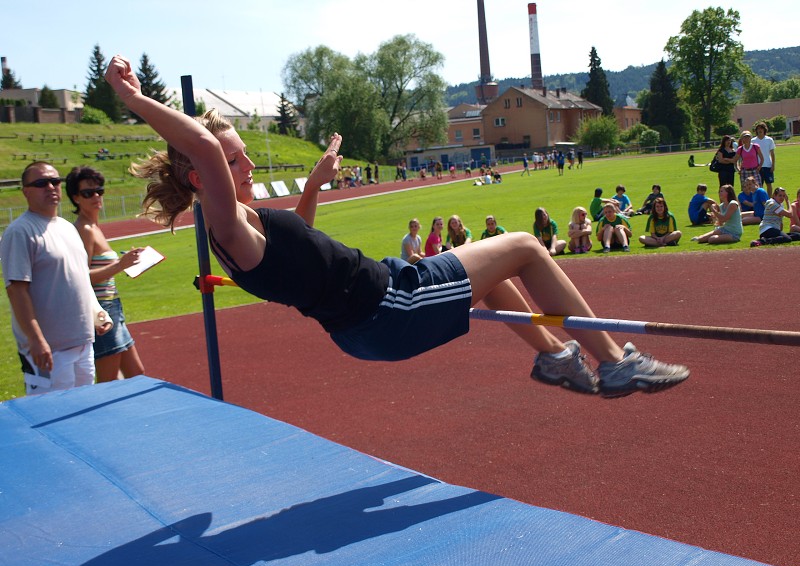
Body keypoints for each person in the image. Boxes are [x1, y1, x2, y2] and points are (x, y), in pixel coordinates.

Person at [106, 54, 688, 398]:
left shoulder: (240, 229)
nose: (248, 164)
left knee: (493, 270)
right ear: (201, 178)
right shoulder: (226, 226)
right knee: (525, 246)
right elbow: (203, 144)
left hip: (369, 313)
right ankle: (615, 362)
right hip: (388, 306)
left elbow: (297, 248)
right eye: (234, 161)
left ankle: (555, 355)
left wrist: (314, 185)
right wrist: (135, 98)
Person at [0, 161, 112, 395]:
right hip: (50, 350)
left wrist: (97, 312)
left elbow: (80, 278)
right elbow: (16, 290)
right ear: (26, 191)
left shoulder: (67, 228)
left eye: (55, 181)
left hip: (82, 342)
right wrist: (36, 339)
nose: (50, 187)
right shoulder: (20, 232)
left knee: (83, 407)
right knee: (51, 412)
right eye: (41, 183)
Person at [67, 166, 146, 382]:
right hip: (100, 310)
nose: (96, 196)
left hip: (113, 306)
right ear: (75, 198)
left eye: (99, 191)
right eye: (88, 193)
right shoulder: (84, 229)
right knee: (109, 381)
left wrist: (129, 262)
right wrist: (120, 265)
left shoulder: (94, 227)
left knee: (135, 374)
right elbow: (82, 277)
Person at [753, 122, 776, 197]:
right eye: (758, 129)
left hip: (767, 165)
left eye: (761, 129)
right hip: (757, 166)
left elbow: (772, 153)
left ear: (764, 130)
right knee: (759, 185)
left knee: (769, 183)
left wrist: (773, 165)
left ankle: (769, 199)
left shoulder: (769, 140)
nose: (760, 130)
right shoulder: (753, 141)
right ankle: (761, 199)